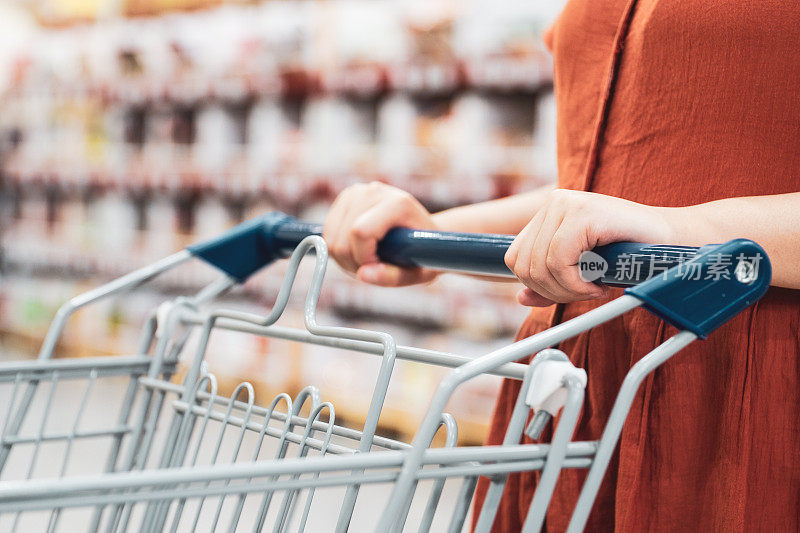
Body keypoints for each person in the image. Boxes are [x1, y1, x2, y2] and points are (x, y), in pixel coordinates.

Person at [322, 1, 800, 531]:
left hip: (741, 389)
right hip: (574, 389)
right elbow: (600, 197)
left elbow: (651, 211)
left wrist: (678, 232)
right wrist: (432, 229)